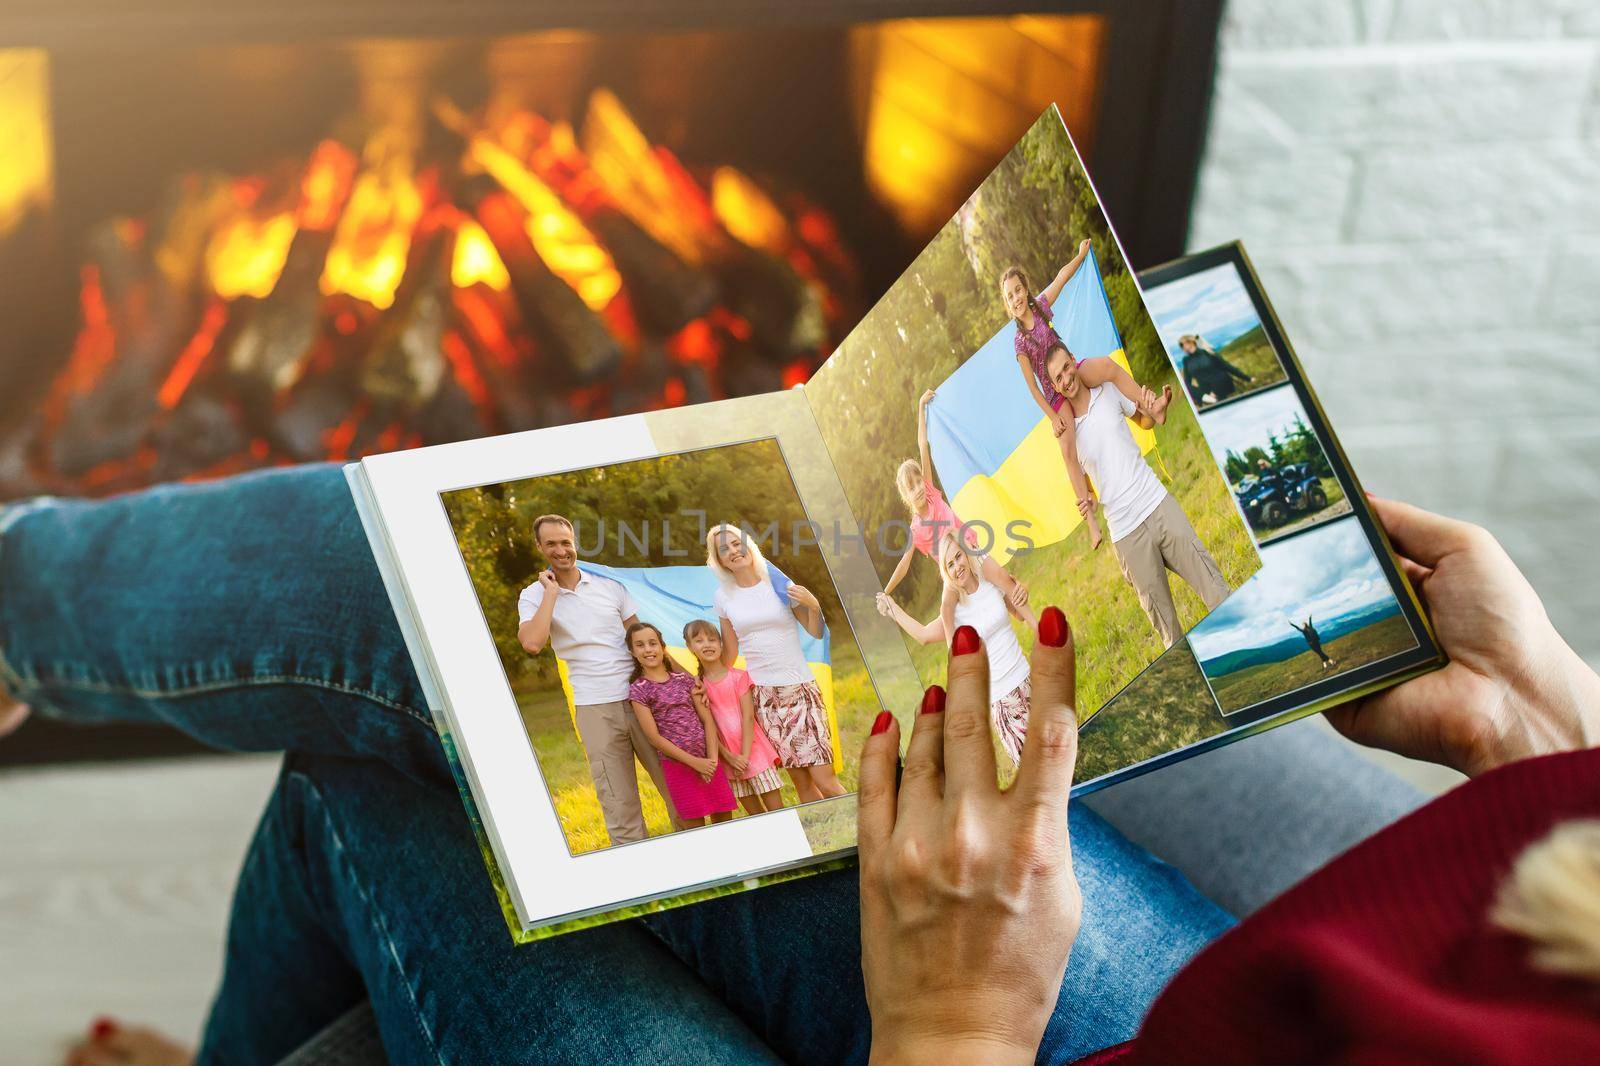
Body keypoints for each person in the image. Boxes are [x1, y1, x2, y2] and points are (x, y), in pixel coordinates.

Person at [7, 467, 1593, 1063]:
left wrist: (955, 1021)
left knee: (391, 767)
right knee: (450, 702)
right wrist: (1552, 728)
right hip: (1368, 967)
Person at [1045, 342, 1230, 647]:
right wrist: (1089, 499)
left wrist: (1157, 410)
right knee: (1169, 632)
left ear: (1074, 361)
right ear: (1054, 386)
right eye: (1058, 377)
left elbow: (1142, 421)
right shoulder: (1068, 434)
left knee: (1213, 585)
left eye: (1067, 367)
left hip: (1156, 503)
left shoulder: (1108, 390)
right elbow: (1084, 480)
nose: (1066, 378)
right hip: (1127, 534)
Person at [515, 513, 679, 845]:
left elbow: (644, 640)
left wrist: (683, 679)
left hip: (642, 699)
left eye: (565, 542)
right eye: (551, 545)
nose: (560, 551)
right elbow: (532, 642)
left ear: (574, 541)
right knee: (619, 804)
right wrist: (550, 594)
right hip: (595, 708)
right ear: (539, 547)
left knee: (677, 788)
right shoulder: (532, 595)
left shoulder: (609, 586)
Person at [1003, 240, 1171, 551]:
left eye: (1017, 290)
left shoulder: (1040, 306)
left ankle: (1152, 406)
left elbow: (1061, 279)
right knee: (1068, 452)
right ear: (1008, 303)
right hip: (1055, 395)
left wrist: (1080, 255)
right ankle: (1091, 522)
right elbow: (1032, 387)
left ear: (1025, 290)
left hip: (1071, 370)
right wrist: (1054, 417)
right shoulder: (1019, 343)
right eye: (1009, 295)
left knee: (1108, 367)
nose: (1015, 297)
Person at [706, 522, 846, 803]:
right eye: (725, 549)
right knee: (802, 783)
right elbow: (730, 653)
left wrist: (814, 605)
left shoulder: (778, 581)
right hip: (764, 698)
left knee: (824, 779)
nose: (733, 551)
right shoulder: (723, 597)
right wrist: (705, 681)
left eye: (737, 543)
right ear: (719, 560)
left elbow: (815, 632)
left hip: (800, 689)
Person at [876, 530, 1036, 765]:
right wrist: (892, 609)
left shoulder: (990, 581)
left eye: (958, 557)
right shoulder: (955, 612)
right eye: (949, 565)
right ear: (946, 573)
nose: (957, 567)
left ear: (967, 554)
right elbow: (923, 635)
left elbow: (1019, 611)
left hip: (1027, 680)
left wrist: (1022, 590)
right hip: (1003, 702)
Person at [881, 389, 1029, 609]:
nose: (918, 489)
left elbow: (923, 444)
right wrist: (885, 592)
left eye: (918, 481)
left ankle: (1034, 625)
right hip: (957, 573)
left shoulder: (930, 492)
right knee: (986, 606)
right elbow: (904, 565)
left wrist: (921, 406)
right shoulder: (916, 530)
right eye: (911, 488)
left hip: (973, 551)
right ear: (906, 496)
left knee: (1006, 585)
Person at [625, 621, 737, 829]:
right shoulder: (638, 690)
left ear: (662, 647)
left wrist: (711, 759)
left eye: (652, 643)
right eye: (640, 645)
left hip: (709, 761)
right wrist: (695, 763)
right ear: (632, 652)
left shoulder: (684, 680)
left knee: (725, 823)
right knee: (695, 828)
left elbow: (708, 721)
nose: (648, 649)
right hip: (679, 767)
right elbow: (654, 737)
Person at [682, 618, 786, 816]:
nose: (707, 645)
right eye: (699, 640)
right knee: (756, 816)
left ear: (721, 643)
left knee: (777, 811)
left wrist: (744, 757)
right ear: (690, 647)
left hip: (754, 753)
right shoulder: (699, 687)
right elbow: (708, 727)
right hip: (729, 760)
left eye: (712, 639)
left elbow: (748, 718)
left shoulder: (738, 677)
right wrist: (730, 758)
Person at [1178, 333, 1252, 406]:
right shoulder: (1186, 360)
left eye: (1187, 343)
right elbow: (1187, 380)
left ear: (1193, 342)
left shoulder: (1206, 352)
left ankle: (1212, 398)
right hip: (1206, 390)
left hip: (1221, 383)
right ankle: (1211, 399)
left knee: (1222, 375)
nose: (1186, 346)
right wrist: (1193, 394)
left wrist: (1248, 378)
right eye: (1183, 345)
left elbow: (1227, 366)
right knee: (1185, 386)